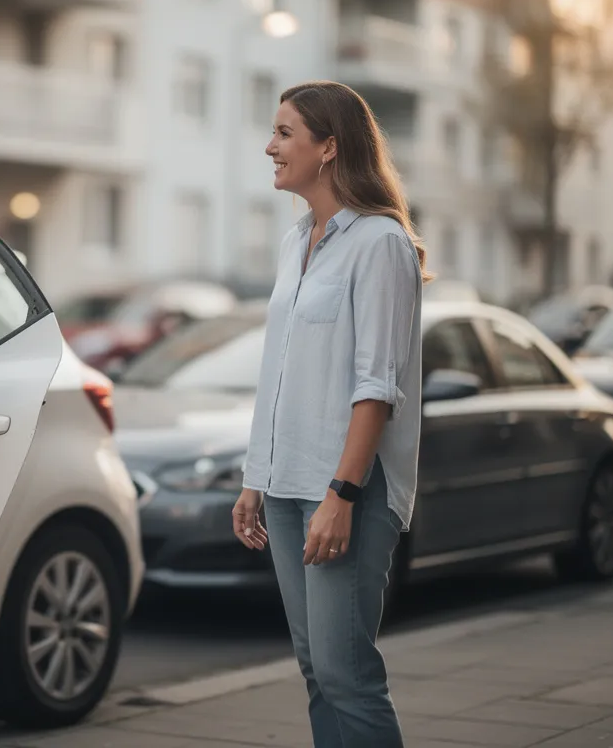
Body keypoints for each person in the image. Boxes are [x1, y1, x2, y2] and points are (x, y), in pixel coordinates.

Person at [232, 80, 431, 748]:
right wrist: (253, 477)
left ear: (329, 148)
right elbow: (279, 369)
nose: (270, 147)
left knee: (348, 673)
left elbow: (377, 387)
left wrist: (342, 494)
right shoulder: (298, 241)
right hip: (287, 486)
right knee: (318, 670)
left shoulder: (380, 244)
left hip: (344, 489)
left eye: (285, 133)